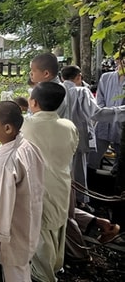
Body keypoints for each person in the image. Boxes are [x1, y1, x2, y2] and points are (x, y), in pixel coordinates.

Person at [0, 101, 45, 282]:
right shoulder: (28, 146)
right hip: (27, 224)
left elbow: (1, 202)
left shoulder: (6, 161)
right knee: (21, 270)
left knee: (15, 275)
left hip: (11, 235)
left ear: (7, 128)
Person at [21, 82, 79, 282]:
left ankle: (45, 277)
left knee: (42, 233)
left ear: (33, 102)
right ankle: (56, 267)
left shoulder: (26, 125)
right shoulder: (69, 126)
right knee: (57, 229)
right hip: (62, 185)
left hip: (40, 189)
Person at [61, 65, 125, 209]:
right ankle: (80, 203)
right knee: (79, 172)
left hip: (60, 139)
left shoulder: (56, 90)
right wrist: (121, 112)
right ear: (78, 77)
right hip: (79, 137)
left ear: (61, 77)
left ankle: (70, 202)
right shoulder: (81, 91)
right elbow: (97, 113)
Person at [88, 51, 125, 194]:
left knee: (120, 162)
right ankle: (91, 191)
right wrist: (108, 114)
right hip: (103, 124)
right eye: (119, 61)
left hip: (121, 127)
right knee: (92, 157)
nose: (120, 64)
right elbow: (100, 102)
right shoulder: (106, 77)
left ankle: (116, 192)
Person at [29, 52, 67, 117]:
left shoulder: (55, 92)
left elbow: (45, 118)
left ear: (46, 74)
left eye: (33, 71)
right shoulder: (42, 87)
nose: (30, 73)